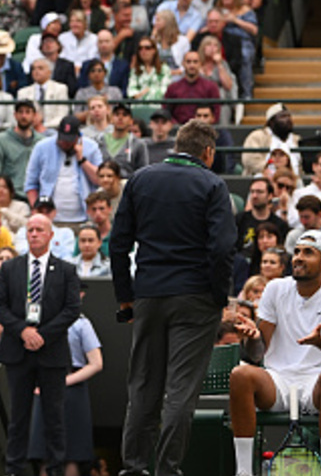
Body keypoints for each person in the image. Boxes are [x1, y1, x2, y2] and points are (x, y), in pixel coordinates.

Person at [110, 118, 234, 476]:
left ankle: (134, 469)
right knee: (181, 391)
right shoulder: (213, 184)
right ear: (207, 152)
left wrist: (125, 297)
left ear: (177, 146)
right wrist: (218, 296)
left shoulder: (140, 179)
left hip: (149, 294)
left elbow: (117, 244)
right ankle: (167, 470)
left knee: (143, 387)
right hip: (195, 298)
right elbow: (222, 248)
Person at [228, 230, 321, 476]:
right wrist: (253, 338)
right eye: (297, 251)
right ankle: (243, 471)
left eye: (308, 252)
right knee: (240, 374)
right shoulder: (275, 288)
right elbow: (256, 355)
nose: (298, 257)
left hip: (320, 386)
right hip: (279, 381)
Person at [0, 213, 81, 476]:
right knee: (18, 418)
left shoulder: (66, 270)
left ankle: (55, 470)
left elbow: (72, 309)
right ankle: (14, 470)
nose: (34, 234)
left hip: (51, 351)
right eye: (30, 230)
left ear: (51, 235)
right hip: (17, 351)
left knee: (54, 418)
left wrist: (42, 335)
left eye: (40, 229)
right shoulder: (10, 268)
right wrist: (23, 331)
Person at [241, 103, 301, 177]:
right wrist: (273, 170)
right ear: (271, 121)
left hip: (294, 179)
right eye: (282, 117)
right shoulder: (258, 136)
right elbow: (250, 160)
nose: (287, 120)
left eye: (288, 116)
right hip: (264, 178)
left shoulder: (296, 139)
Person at [162, 51, 220, 125]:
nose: (192, 65)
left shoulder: (211, 87)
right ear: (183, 64)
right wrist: (175, 125)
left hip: (203, 128)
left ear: (200, 64)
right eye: (188, 62)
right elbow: (166, 111)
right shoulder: (173, 88)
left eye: (195, 62)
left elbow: (216, 113)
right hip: (178, 128)